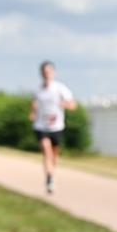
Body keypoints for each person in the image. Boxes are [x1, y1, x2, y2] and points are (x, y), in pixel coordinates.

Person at [30, 61, 76, 194]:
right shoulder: (37, 90)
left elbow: (73, 104)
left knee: (54, 156)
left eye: (49, 71)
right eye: (44, 72)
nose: (47, 74)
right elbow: (33, 104)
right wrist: (33, 112)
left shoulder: (60, 88)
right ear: (41, 73)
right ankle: (49, 178)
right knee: (46, 151)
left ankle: (51, 174)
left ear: (53, 72)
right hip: (41, 126)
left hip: (56, 127)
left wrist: (64, 104)